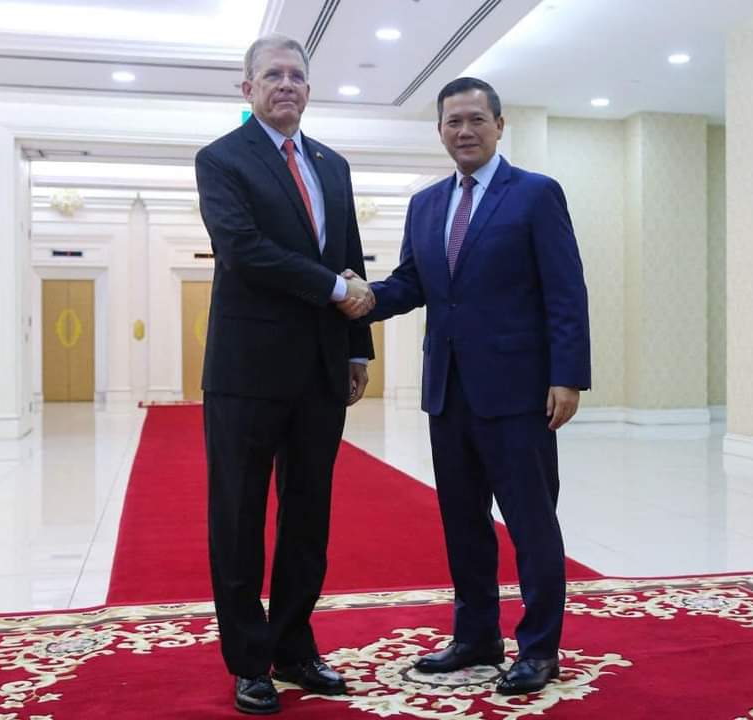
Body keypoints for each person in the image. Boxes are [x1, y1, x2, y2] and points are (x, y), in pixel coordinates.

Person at [339, 77, 591, 696]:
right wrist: (362, 296)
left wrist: (568, 376)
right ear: (440, 132)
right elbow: (412, 283)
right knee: (463, 522)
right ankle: (476, 635)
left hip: (519, 393)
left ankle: (539, 649)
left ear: (500, 126)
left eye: (477, 119)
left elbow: (565, 290)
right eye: (453, 122)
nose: (465, 130)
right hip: (448, 392)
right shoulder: (426, 204)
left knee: (531, 524)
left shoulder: (535, 194)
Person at [195, 33, 375, 715]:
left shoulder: (332, 164)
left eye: (297, 75)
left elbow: (350, 255)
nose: (286, 85)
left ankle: (295, 647)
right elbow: (242, 249)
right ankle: (249, 661)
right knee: (238, 517)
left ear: (308, 87)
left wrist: (357, 349)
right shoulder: (221, 159)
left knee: (308, 517)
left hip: (321, 370)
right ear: (248, 89)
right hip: (246, 371)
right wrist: (333, 289)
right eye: (272, 75)